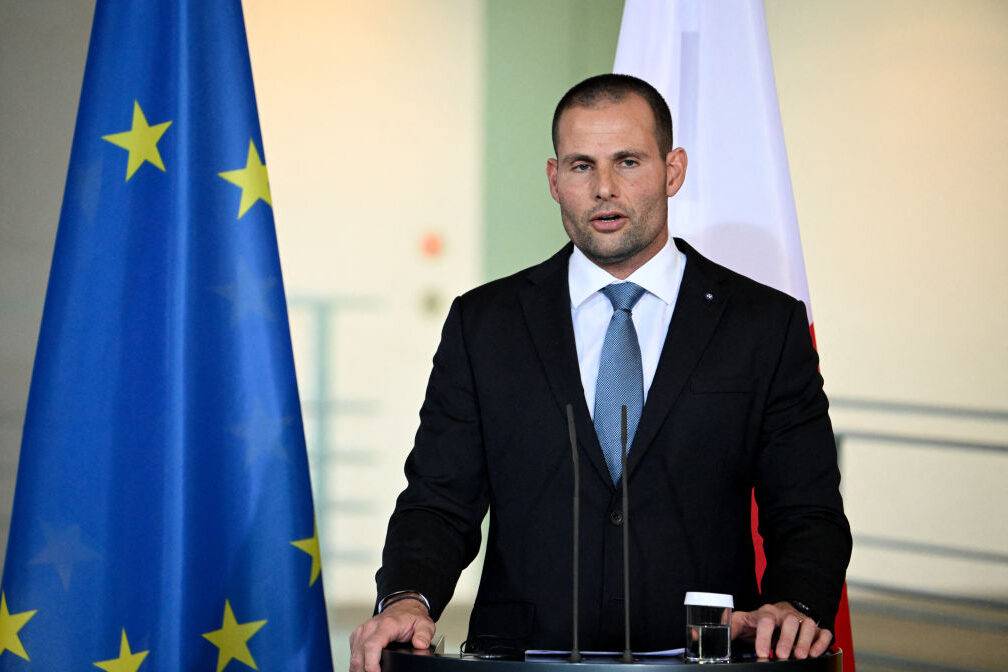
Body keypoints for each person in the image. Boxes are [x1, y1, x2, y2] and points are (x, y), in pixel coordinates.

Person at [348, 74, 851, 672]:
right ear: (554, 180)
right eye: (582, 166)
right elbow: (438, 500)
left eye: (629, 161)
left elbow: (807, 509)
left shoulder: (764, 325)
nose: (605, 188)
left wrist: (793, 601)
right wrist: (408, 595)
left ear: (673, 170)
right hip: (522, 658)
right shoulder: (484, 324)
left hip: (705, 658)